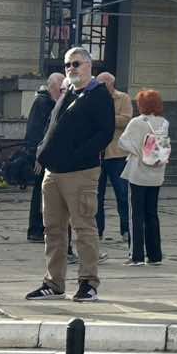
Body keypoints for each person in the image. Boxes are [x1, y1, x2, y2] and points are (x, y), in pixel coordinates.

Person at [30, 46, 115, 302]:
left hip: (80, 172)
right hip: (53, 172)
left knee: (83, 228)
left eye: (76, 63)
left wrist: (77, 155)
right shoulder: (68, 94)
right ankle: (53, 282)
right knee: (53, 230)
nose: (71, 69)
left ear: (89, 66)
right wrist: (42, 154)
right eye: (67, 64)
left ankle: (88, 283)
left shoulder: (98, 95)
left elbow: (105, 133)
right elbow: (53, 126)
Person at [119, 89, 171, 267]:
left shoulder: (137, 122)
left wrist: (138, 152)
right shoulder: (164, 123)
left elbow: (123, 142)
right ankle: (155, 255)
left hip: (139, 173)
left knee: (136, 215)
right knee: (152, 213)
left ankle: (136, 255)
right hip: (157, 174)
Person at [24, 74, 64, 242]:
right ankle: (36, 229)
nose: (62, 91)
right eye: (60, 88)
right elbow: (35, 130)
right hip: (41, 154)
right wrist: (36, 155)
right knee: (40, 192)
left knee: (45, 192)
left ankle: (42, 228)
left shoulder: (51, 102)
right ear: (52, 87)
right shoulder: (42, 102)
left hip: (48, 154)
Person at [96, 71, 133, 242]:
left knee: (122, 194)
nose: (101, 87)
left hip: (117, 154)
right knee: (97, 196)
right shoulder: (93, 98)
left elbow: (126, 119)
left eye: (103, 84)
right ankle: (98, 231)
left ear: (111, 83)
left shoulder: (123, 98)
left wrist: (106, 118)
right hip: (97, 154)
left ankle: (126, 229)